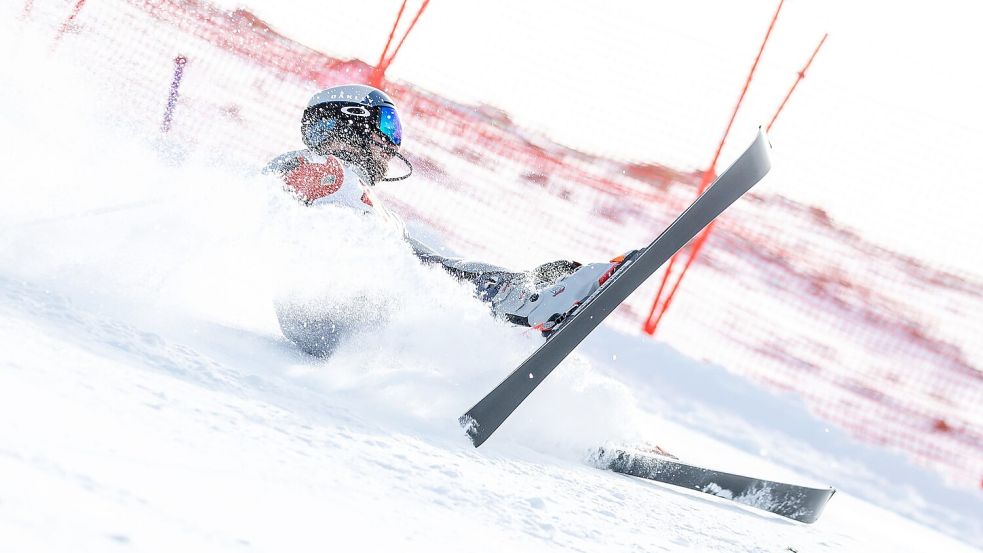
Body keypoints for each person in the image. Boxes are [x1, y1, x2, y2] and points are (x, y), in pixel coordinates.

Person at [265, 84, 635, 356]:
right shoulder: (318, 169)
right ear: (352, 123)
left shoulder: (359, 196)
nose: (392, 143)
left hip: (338, 321)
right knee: (437, 271)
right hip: (326, 308)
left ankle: (515, 318)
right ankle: (529, 300)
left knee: (433, 266)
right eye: (387, 125)